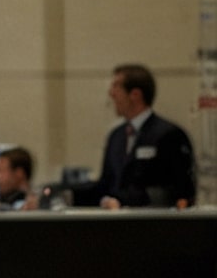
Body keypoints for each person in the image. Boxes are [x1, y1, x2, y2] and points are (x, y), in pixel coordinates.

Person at [78, 64, 196, 208]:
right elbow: (105, 185)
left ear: (135, 95)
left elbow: (175, 190)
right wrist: (68, 194)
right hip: (113, 224)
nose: (111, 93)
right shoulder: (116, 136)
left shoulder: (169, 135)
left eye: (116, 87)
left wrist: (124, 201)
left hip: (153, 224)